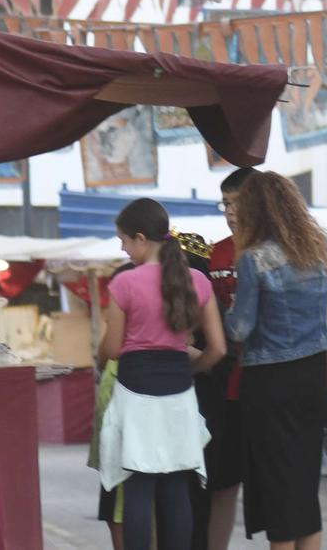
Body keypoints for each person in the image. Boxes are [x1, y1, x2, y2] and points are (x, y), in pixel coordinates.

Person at [99, 198, 228, 550]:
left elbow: (111, 349)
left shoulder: (125, 283)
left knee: (139, 487)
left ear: (141, 238)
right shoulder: (197, 281)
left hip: (135, 389)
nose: (124, 249)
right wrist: (191, 368)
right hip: (179, 391)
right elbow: (217, 348)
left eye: (124, 240)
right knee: (176, 489)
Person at [226, 171, 327, 550]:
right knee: (304, 479)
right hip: (312, 373)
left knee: (276, 481)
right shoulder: (318, 249)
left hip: (270, 380)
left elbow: (241, 328)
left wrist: (224, 310)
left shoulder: (255, 260)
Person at [201, 167, 255, 550]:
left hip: (267, 376)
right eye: (225, 203)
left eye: (236, 202)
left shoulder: (276, 250)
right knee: (223, 479)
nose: (230, 211)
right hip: (223, 379)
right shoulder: (213, 253)